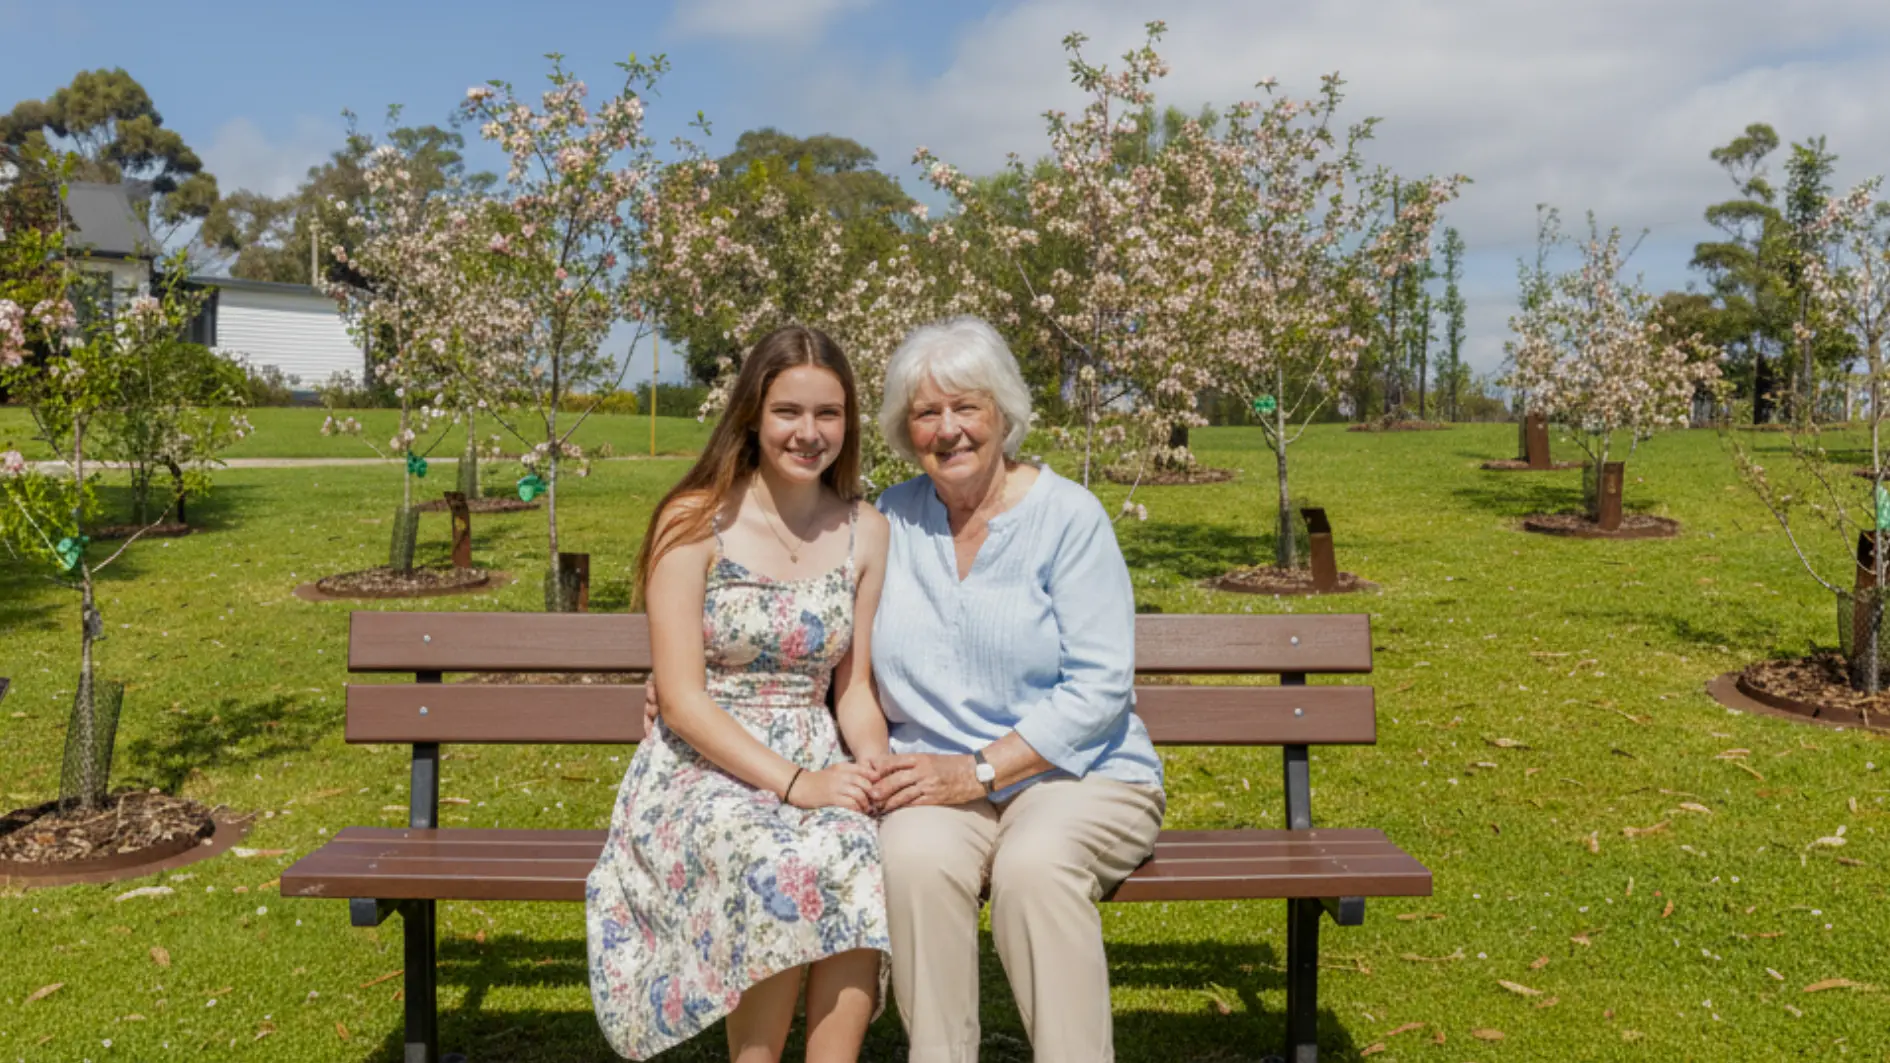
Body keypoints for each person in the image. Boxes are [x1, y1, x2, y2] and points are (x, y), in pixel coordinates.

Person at [587, 325, 893, 1063]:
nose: (809, 432)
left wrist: (874, 765)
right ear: (753, 412)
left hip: (814, 745)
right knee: (768, 853)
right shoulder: (694, 521)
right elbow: (683, 699)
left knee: (857, 844)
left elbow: (853, 691)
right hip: (702, 762)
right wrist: (796, 784)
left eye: (829, 413)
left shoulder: (866, 531)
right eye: (789, 411)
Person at [866, 316, 1165, 1062]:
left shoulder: (1068, 517)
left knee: (1033, 870)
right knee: (913, 863)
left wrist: (980, 769)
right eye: (927, 412)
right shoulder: (887, 520)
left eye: (966, 406)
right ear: (907, 431)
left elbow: (1099, 688)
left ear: (1002, 410)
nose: (949, 428)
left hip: (1081, 772)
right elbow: (811, 621)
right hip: (935, 781)